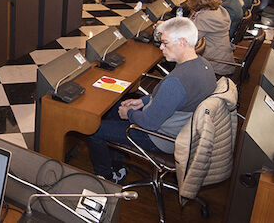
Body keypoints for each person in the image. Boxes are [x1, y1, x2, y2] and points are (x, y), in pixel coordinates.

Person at [86, 17, 217, 182]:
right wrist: (143, 101)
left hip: (160, 137)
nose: (161, 47)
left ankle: (106, 177)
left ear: (182, 42)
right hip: (179, 128)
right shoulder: (204, 64)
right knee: (113, 109)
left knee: (93, 130)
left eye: (165, 43)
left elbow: (149, 123)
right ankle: (118, 165)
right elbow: (173, 98)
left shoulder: (176, 82)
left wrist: (130, 113)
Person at [188, 0, 235, 75]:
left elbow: (189, 38)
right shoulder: (218, 9)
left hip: (214, 64)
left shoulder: (204, 17)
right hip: (223, 59)